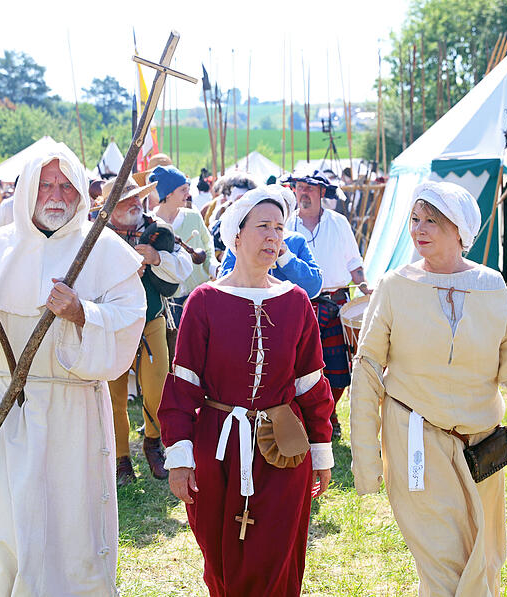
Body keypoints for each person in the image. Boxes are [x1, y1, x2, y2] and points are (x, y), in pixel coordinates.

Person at [0, 145, 146, 596]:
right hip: (13, 409)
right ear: (27, 190)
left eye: (66, 185)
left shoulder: (104, 248)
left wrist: (82, 312)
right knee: (18, 520)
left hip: (75, 409)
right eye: (46, 184)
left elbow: (130, 319)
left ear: (81, 191)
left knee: (76, 524)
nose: (56, 194)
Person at [350, 182, 507, 597]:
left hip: (481, 447)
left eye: (433, 220)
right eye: (415, 219)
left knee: (483, 564)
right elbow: (368, 371)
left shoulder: (491, 286)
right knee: (445, 568)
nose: (419, 229)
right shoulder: (395, 286)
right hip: (416, 442)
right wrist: (366, 456)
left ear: (460, 230)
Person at [159, 187, 335, 596]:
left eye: (279, 227)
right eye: (263, 227)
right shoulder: (204, 301)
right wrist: (180, 458)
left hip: (283, 449)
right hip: (218, 447)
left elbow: (311, 384)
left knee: (278, 552)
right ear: (236, 236)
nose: (273, 236)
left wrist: (320, 451)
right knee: (221, 555)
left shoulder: (295, 302)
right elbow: (183, 384)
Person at [105, 176, 193, 486]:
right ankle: (120, 459)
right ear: (109, 208)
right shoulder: (95, 235)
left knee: (158, 391)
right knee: (113, 397)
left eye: (136, 197)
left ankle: (153, 443)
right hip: (110, 325)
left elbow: (181, 270)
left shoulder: (158, 230)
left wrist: (157, 258)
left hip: (152, 318)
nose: (133, 203)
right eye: (124, 200)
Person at [287, 170, 369, 437]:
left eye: (309, 189)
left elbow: (354, 264)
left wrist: (366, 288)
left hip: (334, 303)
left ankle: (329, 414)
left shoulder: (338, 222)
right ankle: (313, 418)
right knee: (303, 367)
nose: (303, 194)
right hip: (298, 305)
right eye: (299, 188)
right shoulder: (287, 225)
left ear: (322, 193)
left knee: (336, 368)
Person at [220, 185, 322, 298]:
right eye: (263, 225)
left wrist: (286, 258)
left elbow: (314, 288)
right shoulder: (242, 241)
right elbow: (225, 280)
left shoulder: (296, 241)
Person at [150, 164, 216, 325]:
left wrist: (215, 268)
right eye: (183, 190)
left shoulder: (194, 217)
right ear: (169, 193)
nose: (188, 194)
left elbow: (207, 250)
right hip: (167, 304)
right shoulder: (151, 224)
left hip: (199, 296)